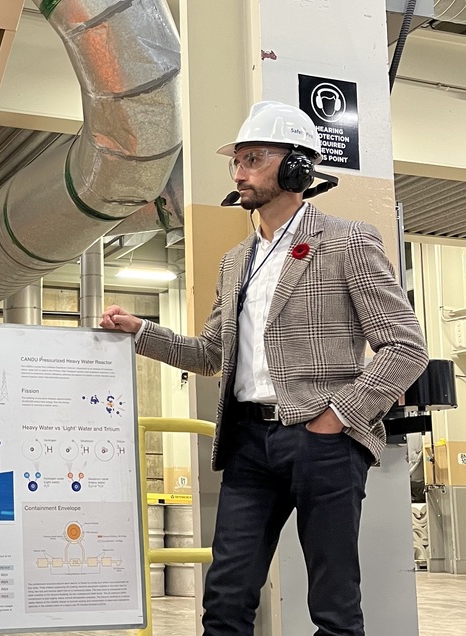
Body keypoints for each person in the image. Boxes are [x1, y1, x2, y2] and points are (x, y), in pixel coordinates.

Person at [100, 101, 428, 636]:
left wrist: (338, 416)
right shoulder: (236, 261)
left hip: (323, 440)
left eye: (253, 158)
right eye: (237, 161)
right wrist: (142, 332)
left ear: (297, 166)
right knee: (225, 599)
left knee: (334, 605)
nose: (238, 171)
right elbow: (211, 353)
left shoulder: (347, 241)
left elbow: (404, 346)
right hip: (249, 442)